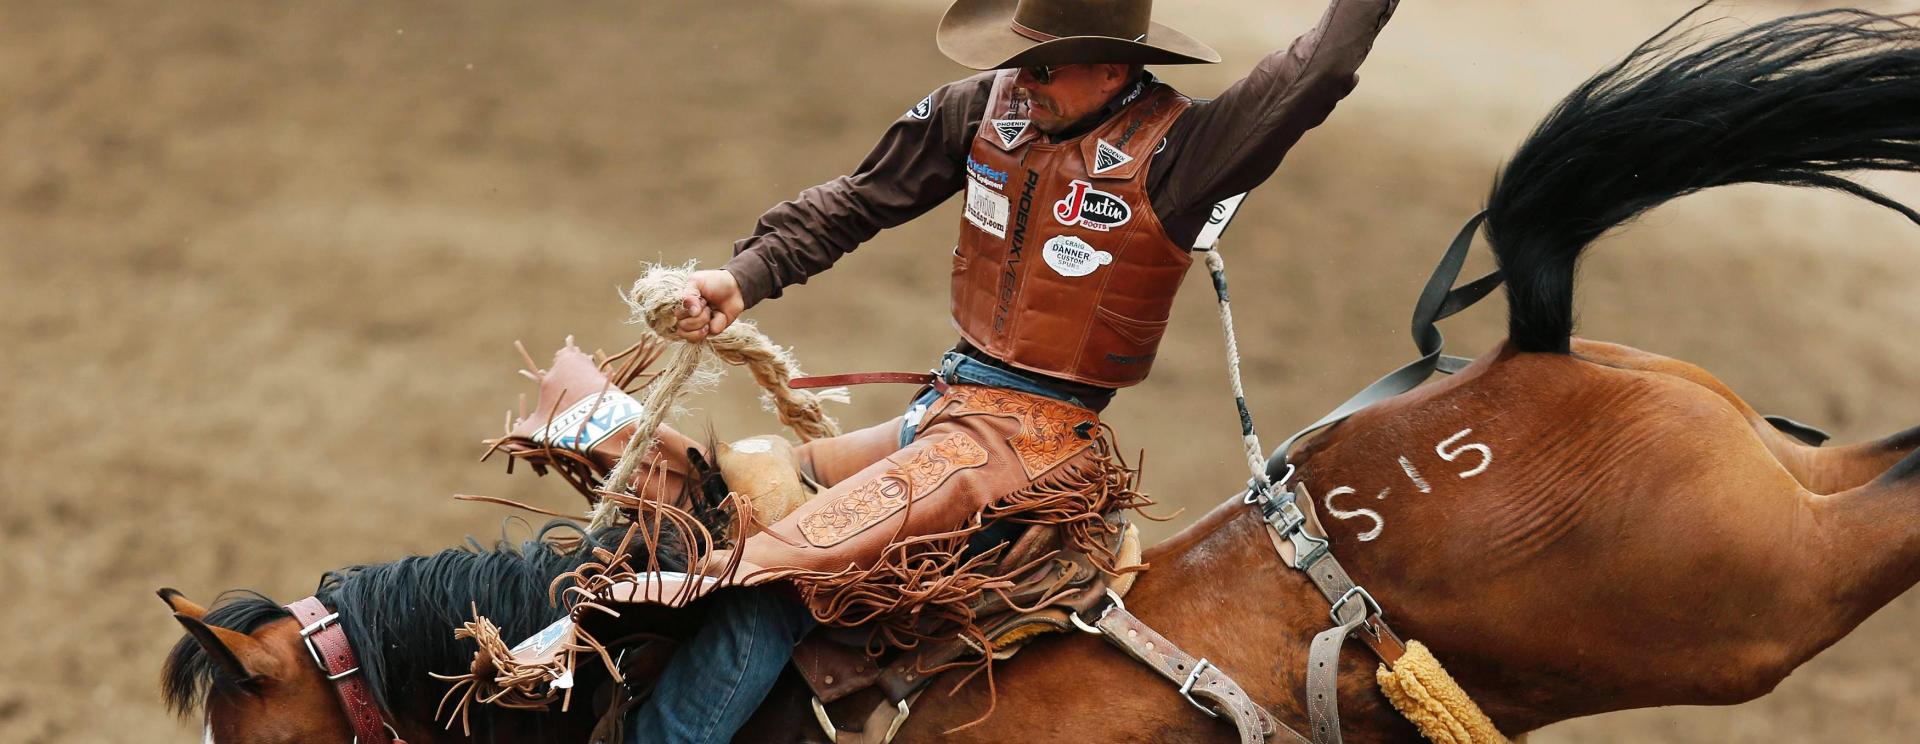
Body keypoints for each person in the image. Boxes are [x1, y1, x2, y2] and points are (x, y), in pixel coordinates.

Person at [631, 0, 1402, 741]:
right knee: (721, 505)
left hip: (1030, 448)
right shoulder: (987, 108)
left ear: (1112, 72)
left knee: (773, 571)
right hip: (946, 413)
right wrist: (744, 277)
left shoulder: (1187, 152)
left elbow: (1320, 66)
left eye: (1046, 68)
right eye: (1022, 61)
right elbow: (862, 198)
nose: (1024, 81)